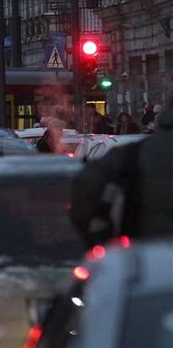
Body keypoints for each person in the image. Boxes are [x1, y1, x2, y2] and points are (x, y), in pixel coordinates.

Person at [71, 100, 173, 246]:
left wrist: (104, 238)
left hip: (140, 255)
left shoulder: (128, 157)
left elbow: (84, 199)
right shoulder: (127, 155)